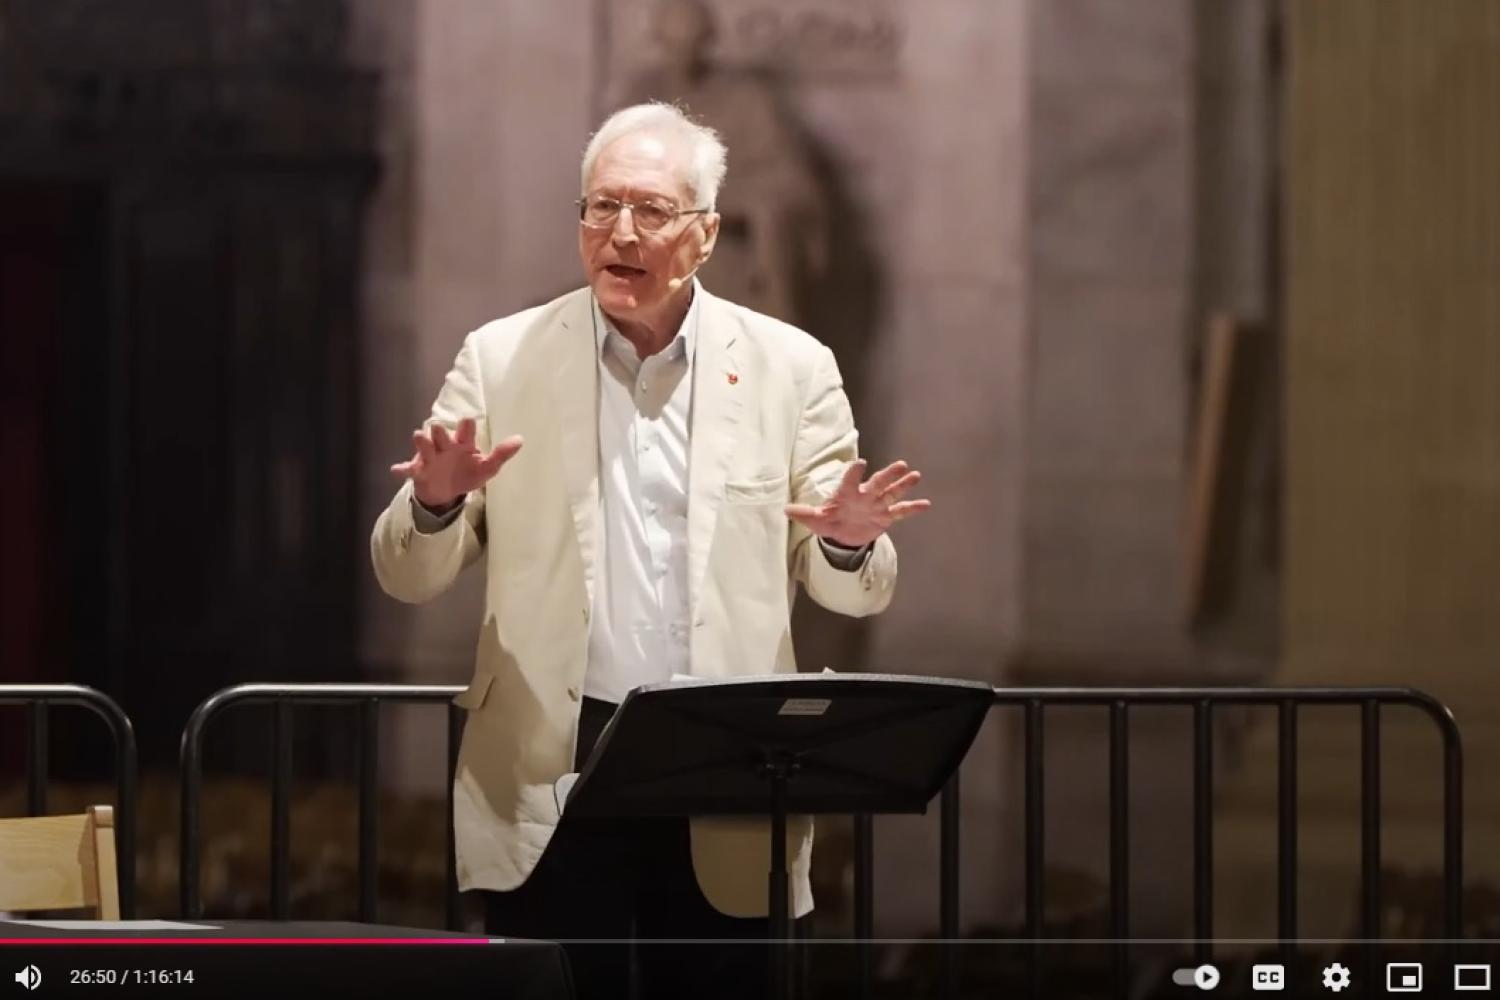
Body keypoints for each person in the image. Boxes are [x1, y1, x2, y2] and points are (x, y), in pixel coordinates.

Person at [370, 101, 930, 999]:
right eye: (599, 208)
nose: (618, 233)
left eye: (650, 212)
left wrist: (853, 546)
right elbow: (404, 574)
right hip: (555, 761)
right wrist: (434, 503)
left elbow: (857, 594)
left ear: (707, 234)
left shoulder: (793, 367)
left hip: (730, 756)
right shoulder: (501, 357)